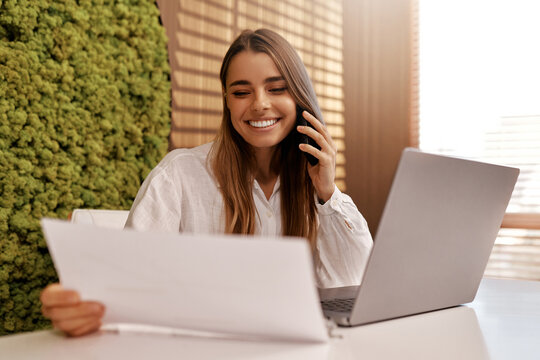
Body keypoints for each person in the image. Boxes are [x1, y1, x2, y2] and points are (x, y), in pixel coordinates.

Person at [40, 29, 373, 337]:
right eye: (242, 92)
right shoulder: (179, 175)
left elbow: (355, 285)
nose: (259, 103)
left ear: (300, 97)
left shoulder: (316, 189)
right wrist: (78, 304)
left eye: (277, 88)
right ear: (227, 101)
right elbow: (127, 288)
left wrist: (327, 194)